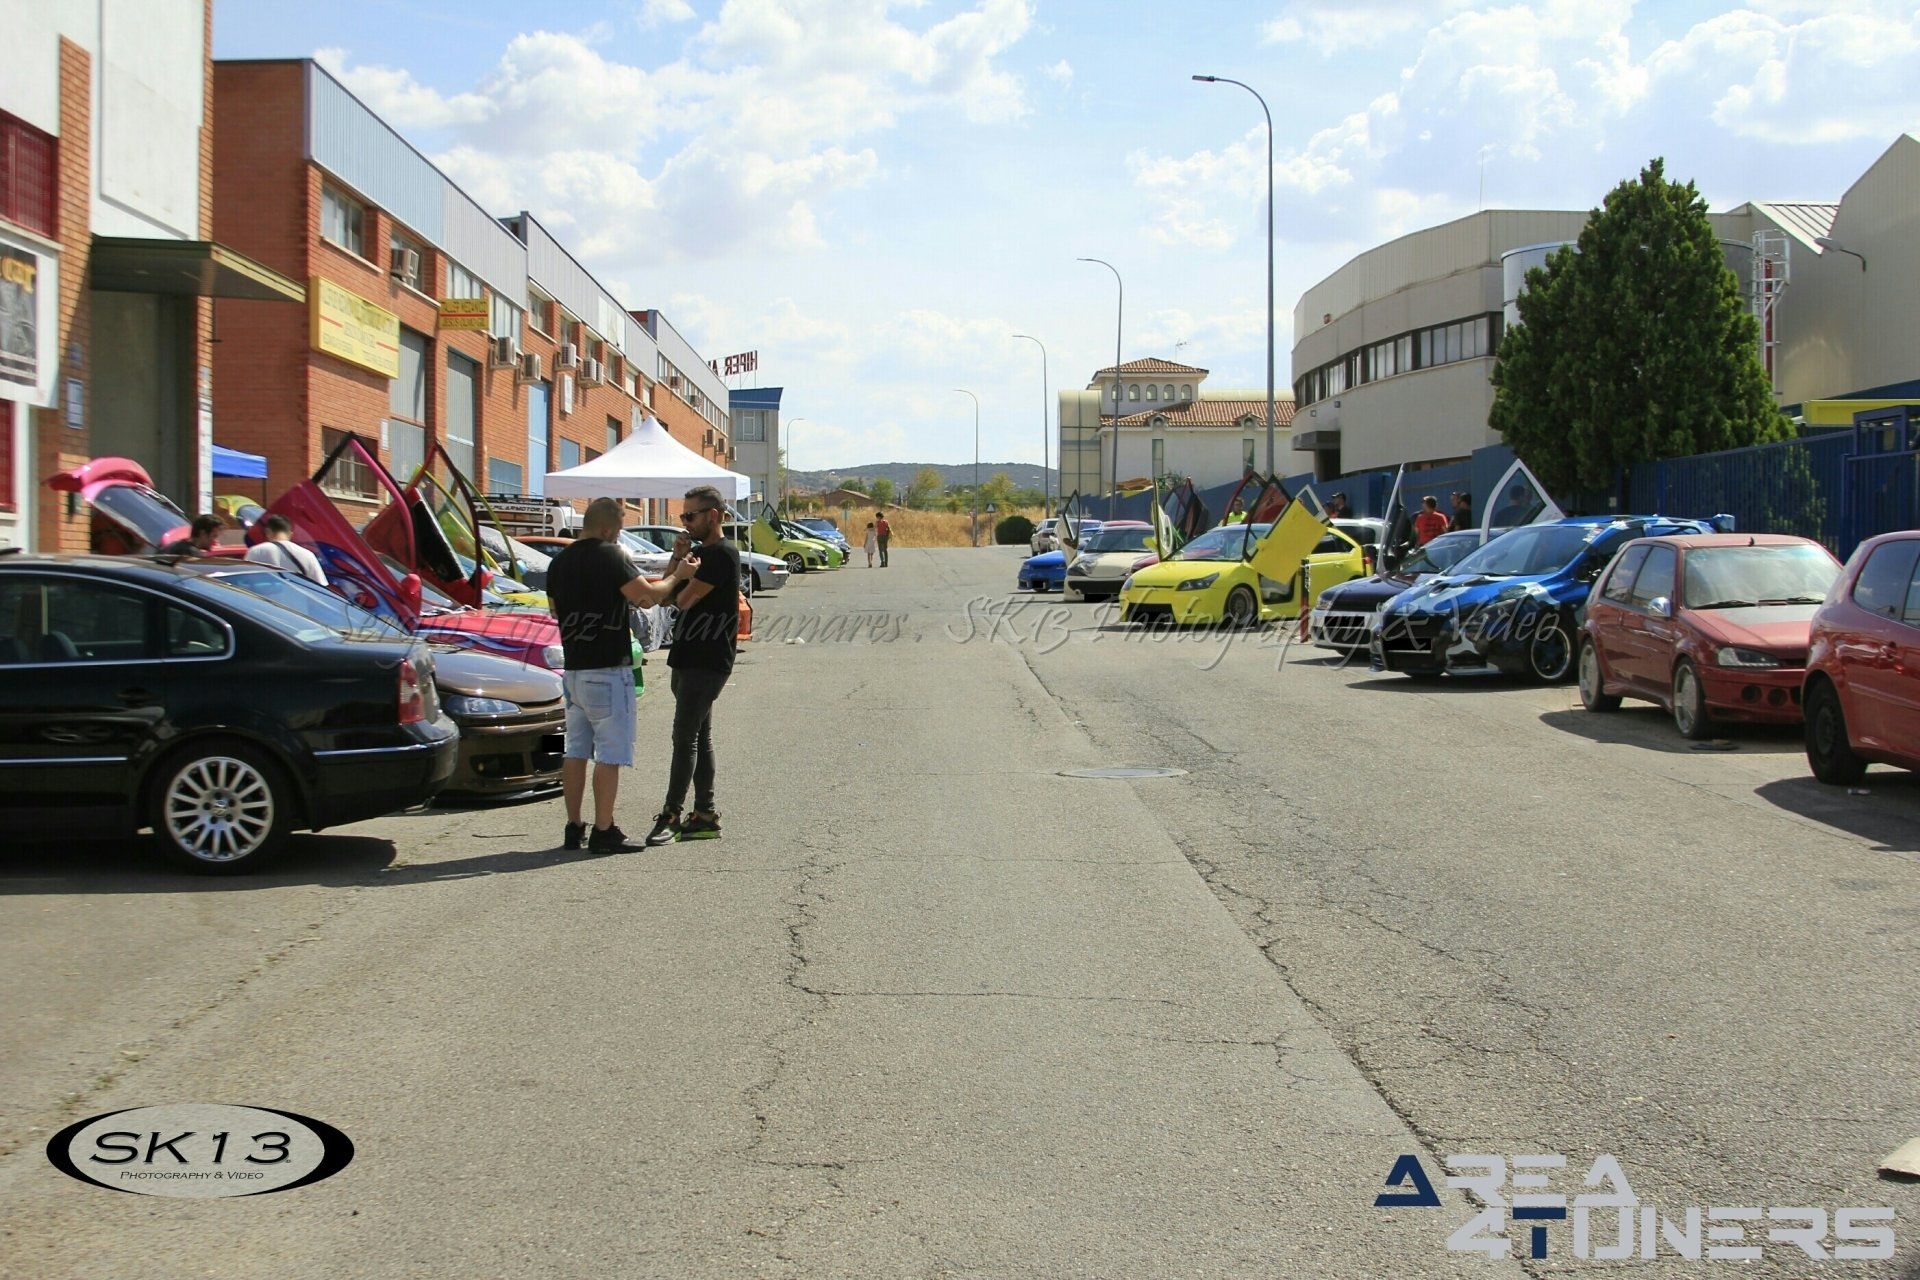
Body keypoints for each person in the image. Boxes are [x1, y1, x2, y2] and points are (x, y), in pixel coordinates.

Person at [548, 496, 693, 854]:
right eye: (620, 530)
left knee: (575, 750)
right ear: (608, 527)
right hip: (608, 670)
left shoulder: (559, 562)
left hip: (574, 671)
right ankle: (603, 829)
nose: (620, 537)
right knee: (610, 754)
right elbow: (648, 598)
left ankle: (573, 826)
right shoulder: (612, 556)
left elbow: (554, 610)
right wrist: (679, 575)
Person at [645, 485, 741, 846]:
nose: (685, 523)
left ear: (712, 516)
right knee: (699, 736)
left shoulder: (721, 555)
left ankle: (671, 814)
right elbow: (666, 594)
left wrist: (682, 574)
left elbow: (682, 600)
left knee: (683, 738)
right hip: (687, 656)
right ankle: (704, 814)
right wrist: (677, 557)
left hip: (707, 660)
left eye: (690, 516)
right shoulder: (699, 553)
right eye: (682, 516)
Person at [244, 514, 329, 585]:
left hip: (261, 603)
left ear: (268, 532)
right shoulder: (308, 555)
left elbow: (246, 581)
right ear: (290, 534)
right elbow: (321, 587)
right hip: (296, 604)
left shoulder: (255, 552)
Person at [159, 514, 224, 558]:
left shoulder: (171, 546)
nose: (215, 542)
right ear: (203, 533)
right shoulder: (191, 555)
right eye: (214, 536)